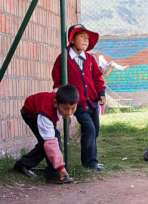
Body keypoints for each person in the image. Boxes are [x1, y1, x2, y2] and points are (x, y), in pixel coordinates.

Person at [52, 24, 106, 171]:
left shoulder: (89, 58)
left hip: (93, 102)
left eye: (87, 38)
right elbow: (57, 77)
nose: (86, 40)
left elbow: (97, 77)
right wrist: (61, 94)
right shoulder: (64, 58)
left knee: (95, 129)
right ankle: (90, 162)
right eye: (82, 37)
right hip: (78, 103)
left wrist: (101, 93)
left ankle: (87, 159)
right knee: (89, 128)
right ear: (72, 39)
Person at [14, 85, 79, 184]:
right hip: (31, 113)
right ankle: (54, 174)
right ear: (56, 104)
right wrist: (60, 167)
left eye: (73, 108)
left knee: (46, 141)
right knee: (49, 142)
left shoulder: (63, 101)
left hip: (41, 110)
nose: (69, 112)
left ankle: (23, 164)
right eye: (65, 109)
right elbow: (50, 144)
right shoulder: (45, 115)